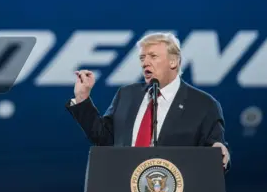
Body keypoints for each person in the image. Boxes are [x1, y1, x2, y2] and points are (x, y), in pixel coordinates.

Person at [65, 32, 230, 169]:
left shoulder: (203, 104)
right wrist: (82, 97)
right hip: (123, 188)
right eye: (142, 58)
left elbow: (215, 149)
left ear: (174, 61)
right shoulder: (127, 95)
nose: (145, 63)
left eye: (153, 56)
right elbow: (103, 138)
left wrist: (219, 151)